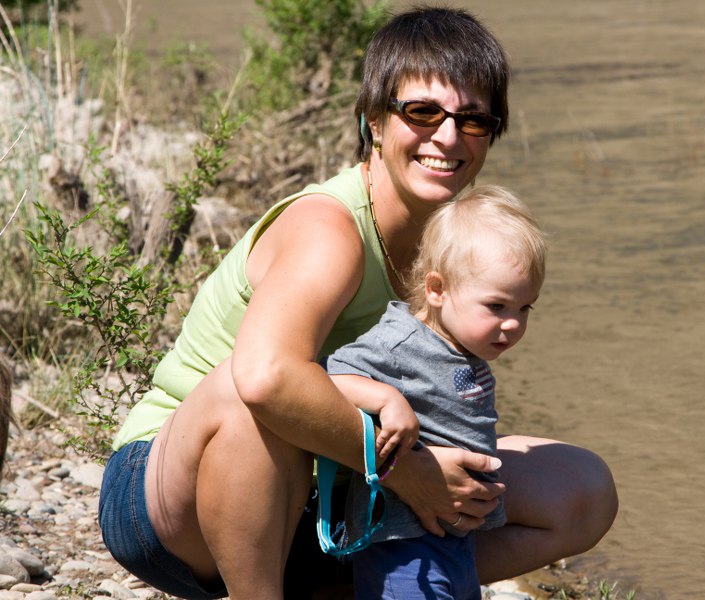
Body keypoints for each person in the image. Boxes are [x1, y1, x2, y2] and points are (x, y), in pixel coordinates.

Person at [98, 7, 617, 600]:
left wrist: (437, 470)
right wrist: (415, 473)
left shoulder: (452, 244)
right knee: (256, 393)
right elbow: (264, 379)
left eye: (472, 120)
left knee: (580, 488)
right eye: (422, 112)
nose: (447, 137)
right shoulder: (331, 230)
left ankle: (386, 584)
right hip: (169, 495)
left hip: (327, 494)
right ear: (374, 119)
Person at [326, 185, 545, 599]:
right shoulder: (402, 342)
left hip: (453, 540)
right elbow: (324, 380)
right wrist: (385, 399)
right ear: (437, 289)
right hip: (402, 547)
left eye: (525, 308)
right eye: (497, 306)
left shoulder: (464, 346)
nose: (513, 323)